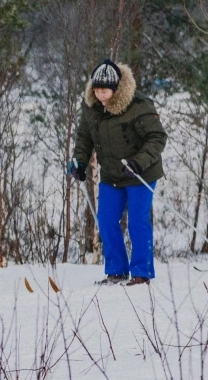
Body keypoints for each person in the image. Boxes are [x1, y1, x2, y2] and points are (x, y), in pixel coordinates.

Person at [68, 59, 167, 286]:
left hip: (140, 174)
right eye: (96, 89)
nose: (100, 95)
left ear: (115, 88)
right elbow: (84, 138)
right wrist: (79, 163)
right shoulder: (91, 107)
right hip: (112, 176)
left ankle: (141, 273)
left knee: (137, 222)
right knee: (106, 220)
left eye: (104, 90)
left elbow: (157, 137)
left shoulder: (138, 105)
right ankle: (116, 270)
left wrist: (138, 162)